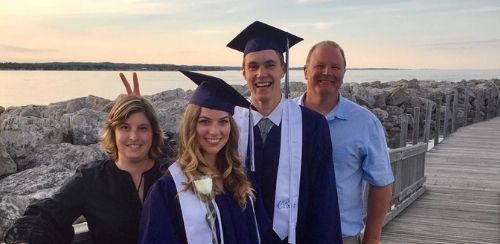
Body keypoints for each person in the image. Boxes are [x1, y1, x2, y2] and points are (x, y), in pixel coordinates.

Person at [227, 21, 342, 243]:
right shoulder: (228, 124)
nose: (261, 74)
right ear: (243, 72)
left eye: (270, 65)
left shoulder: (312, 126)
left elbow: (323, 202)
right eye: (253, 66)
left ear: (283, 69)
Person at [4, 95, 165, 244]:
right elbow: (47, 214)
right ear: (113, 132)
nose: (134, 136)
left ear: (153, 133)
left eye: (143, 128)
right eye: (124, 127)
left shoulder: (169, 173)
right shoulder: (91, 179)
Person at [137, 70, 260, 244]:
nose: (215, 131)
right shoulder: (169, 190)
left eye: (223, 121)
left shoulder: (242, 179)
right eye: (205, 121)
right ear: (191, 126)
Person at [294, 40, 395, 244]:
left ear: (344, 73)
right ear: (305, 71)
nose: (327, 72)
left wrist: (372, 237)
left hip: (341, 237)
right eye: (319, 66)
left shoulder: (365, 123)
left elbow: (382, 182)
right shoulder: (286, 118)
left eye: (335, 67)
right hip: (290, 235)